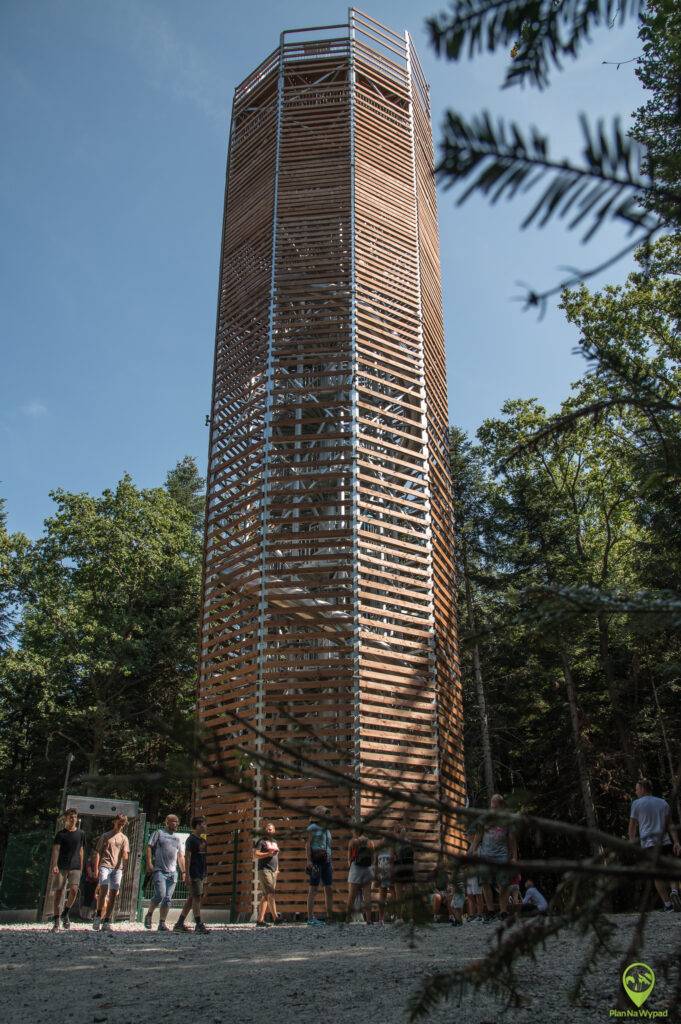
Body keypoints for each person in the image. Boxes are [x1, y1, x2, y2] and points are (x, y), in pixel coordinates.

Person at [628, 778, 681, 912]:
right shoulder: (663, 803)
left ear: (643, 789)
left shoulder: (636, 804)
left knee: (657, 875)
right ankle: (674, 890)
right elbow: (671, 825)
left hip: (649, 845)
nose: (635, 791)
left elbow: (632, 826)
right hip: (666, 842)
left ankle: (668, 905)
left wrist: (632, 843)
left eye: (637, 789)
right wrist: (676, 842)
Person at [469, 793, 518, 922]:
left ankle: (503, 911)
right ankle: (490, 911)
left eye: (496, 805)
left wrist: (514, 857)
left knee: (504, 884)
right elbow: (478, 837)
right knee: (485, 883)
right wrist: (473, 851)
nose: (494, 807)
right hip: (485, 855)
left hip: (502, 855)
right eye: (492, 804)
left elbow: (512, 839)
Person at [144, 813, 186, 931]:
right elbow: (149, 847)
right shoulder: (159, 833)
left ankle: (162, 923)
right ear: (167, 822)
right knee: (160, 895)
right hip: (159, 871)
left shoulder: (177, 838)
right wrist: (149, 863)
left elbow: (180, 855)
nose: (176, 823)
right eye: (174, 821)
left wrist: (183, 871)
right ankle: (149, 914)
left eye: (177, 821)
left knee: (168, 899)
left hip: (173, 873)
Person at [48, 807, 85, 932]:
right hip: (62, 866)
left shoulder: (81, 834)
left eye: (74, 817)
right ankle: (57, 920)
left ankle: (66, 912)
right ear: (66, 818)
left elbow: (81, 850)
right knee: (58, 892)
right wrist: (55, 865)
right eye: (70, 817)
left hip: (75, 866)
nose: (73, 819)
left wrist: (81, 866)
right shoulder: (60, 834)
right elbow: (56, 850)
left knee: (74, 890)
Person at [92, 814, 130, 931]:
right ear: (114, 821)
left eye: (123, 823)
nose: (121, 824)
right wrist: (96, 869)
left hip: (117, 868)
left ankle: (107, 920)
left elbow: (125, 853)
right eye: (119, 822)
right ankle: (98, 915)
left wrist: (125, 857)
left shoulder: (124, 838)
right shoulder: (105, 836)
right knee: (103, 889)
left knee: (113, 893)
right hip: (105, 865)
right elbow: (98, 852)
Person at [174, 816, 209, 934]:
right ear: (198, 826)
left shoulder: (203, 840)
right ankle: (199, 924)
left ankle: (179, 923)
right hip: (194, 872)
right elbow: (187, 857)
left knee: (192, 898)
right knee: (197, 898)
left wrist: (205, 873)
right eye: (204, 824)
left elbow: (203, 858)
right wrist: (187, 874)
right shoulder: (191, 840)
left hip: (201, 872)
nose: (206, 827)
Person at [306, 805, 333, 925]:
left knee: (328, 888)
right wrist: (309, 860)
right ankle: (310, 918)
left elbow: (329, 846)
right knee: (313, 888)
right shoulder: (312, 827)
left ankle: (329, 917)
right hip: (316, 861)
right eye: (324, 814)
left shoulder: (327, 830)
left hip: (327, 862)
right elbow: (307, 845)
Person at [346, 827, 378, 924]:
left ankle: (347, 918)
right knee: (367, 896)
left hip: (356, 868)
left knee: (351, 896)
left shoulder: (353, 842)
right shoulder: (370, 842)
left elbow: (349, 858)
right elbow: (373, 858)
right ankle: (369, 920)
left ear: (356, 831)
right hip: (367, 869)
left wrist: (351, 867)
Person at [254, 822, 280, 927]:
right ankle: (276, 918)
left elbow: (276, 857)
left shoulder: (275, 842)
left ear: (274, 831)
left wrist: (277, 869)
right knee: (271, 893)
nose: (269, 831)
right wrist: (268, 854)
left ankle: (260, 920)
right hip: (264, 870)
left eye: (271, 829)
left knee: (265, 896)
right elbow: (255, 854)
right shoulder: (261, 841)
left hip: (273, 871)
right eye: (267, 829)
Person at [392, 825, 416, 921]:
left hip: (399, 868)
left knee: (399, 896)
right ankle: (410, 918)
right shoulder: (410, 842)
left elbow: (391, 857)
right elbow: (414, 856)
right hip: (409, 868)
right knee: (409, 894)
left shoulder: (394, 843)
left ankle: (399, 918)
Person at [375, 837, 395, 925]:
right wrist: (376, 876)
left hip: (390, 876)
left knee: (394, 896)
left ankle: (396, 915)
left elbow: (393, 863)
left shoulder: (391, 850)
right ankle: (381, 919)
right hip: (382, 877)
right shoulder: (378, 851)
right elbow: (375, 864)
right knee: (382, 897)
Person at [431, 857, 450, 923]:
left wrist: (446, 893)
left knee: (449, 896)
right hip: (435, 892)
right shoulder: (434, 873)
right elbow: (433, 887)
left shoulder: (445, 873)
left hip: (444, 892)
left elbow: (448, 885)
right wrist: (441, 894)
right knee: (437, 897)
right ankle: (435, 916)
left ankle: (451, 916)